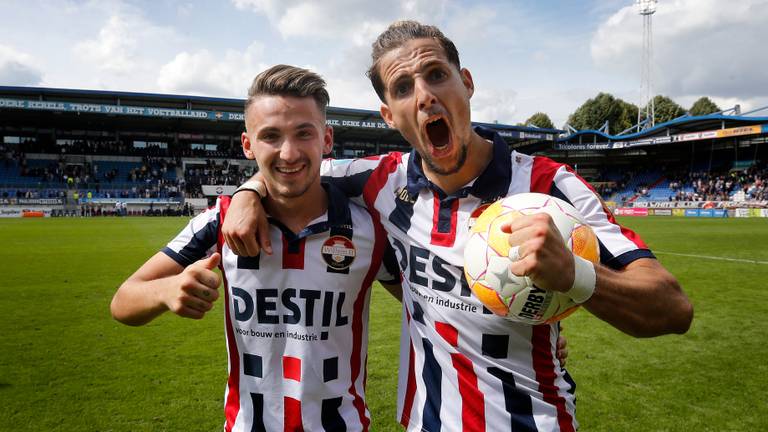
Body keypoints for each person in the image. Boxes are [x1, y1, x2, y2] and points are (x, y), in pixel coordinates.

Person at [223, 21, 694, 431]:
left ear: (466, 83)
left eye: (436, 75)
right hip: (424, 420)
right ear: (389, 115)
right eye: (403, 87)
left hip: (533, 421)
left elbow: (673, 309)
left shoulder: (548, 186)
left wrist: (573, 275)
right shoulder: (381, 182)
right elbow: (289, 169)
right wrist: (248, 194)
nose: (425, 95)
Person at [110, 65, 404, 431]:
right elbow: (123, 302)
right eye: (270, 136)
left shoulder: (369, 231)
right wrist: (166, 290)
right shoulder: (219, 222)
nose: (288, 152)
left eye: (303, 133)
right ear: (247, 145)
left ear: (326, 140)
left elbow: (423, 308)